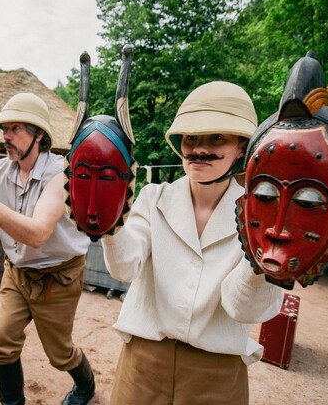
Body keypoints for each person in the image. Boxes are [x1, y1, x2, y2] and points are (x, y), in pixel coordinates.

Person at [101, 81, 284, 404]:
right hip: (143, 361)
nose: (199, 148)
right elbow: (125, 268)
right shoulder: (154, 197)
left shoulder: (263, 215)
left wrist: (261, 257)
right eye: (191, 137)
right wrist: (109, 221)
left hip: (218, 372)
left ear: (242, 146)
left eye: (216, 137)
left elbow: (244, 308)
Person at [0, 92, 95, 405]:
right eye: (4, 129)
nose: (6, 136)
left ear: (39, 135)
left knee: (60, 353)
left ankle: (86, 387)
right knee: (2, 343)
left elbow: (38, 234)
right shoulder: (0, 170)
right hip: (17, 273)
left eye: (16, 129)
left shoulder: (61, 174)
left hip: (58, 277)